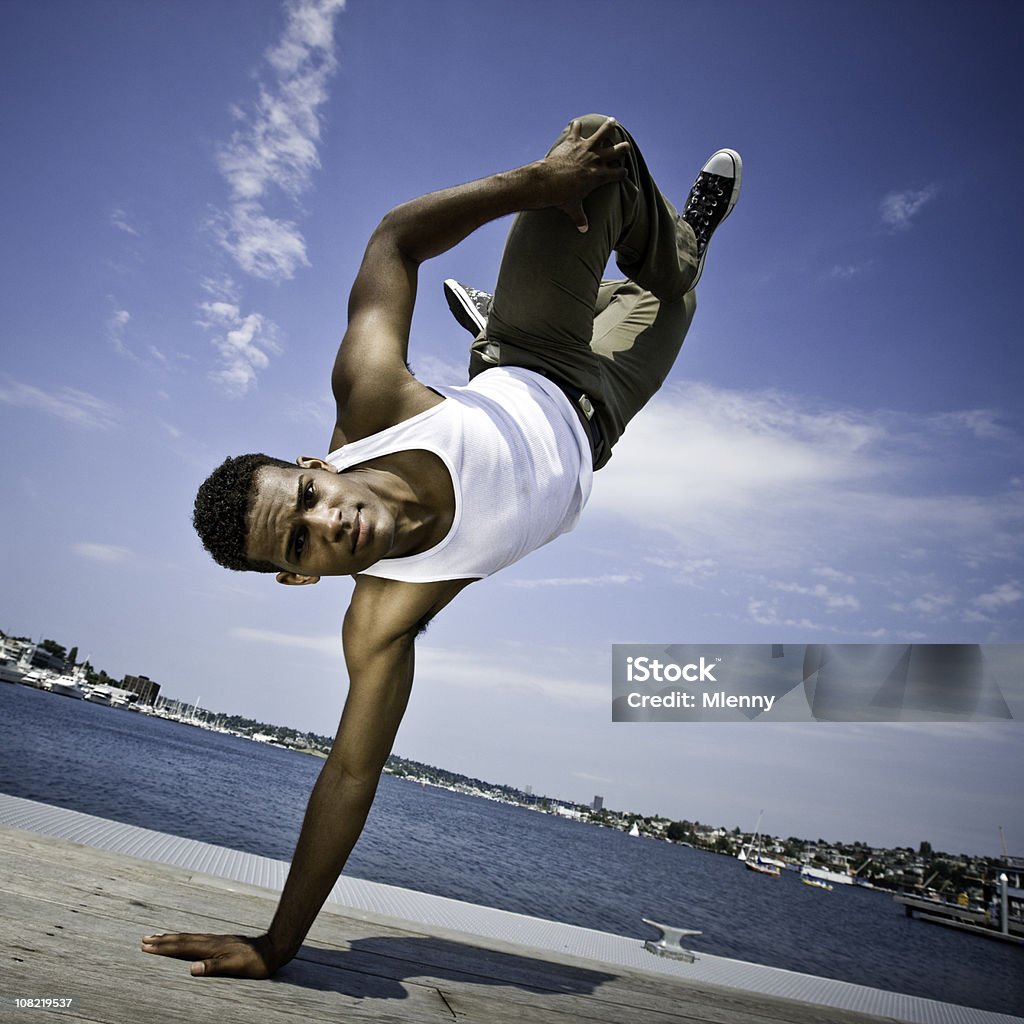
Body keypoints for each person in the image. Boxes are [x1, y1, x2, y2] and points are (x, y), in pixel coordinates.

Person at [142, 114, 741, 978]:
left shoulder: (372, 397)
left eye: (310, 496)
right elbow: (348, 777)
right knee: (671, 302)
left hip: (528, 350)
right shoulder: (383, 618)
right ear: (294, 578)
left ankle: (670, 242)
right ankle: (670, 267)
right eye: (304, 546)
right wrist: (278, 944)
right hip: (596, 417)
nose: (331, 523)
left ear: (318, 463)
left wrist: (537, 182)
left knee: (598, 155)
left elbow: (394, 239)